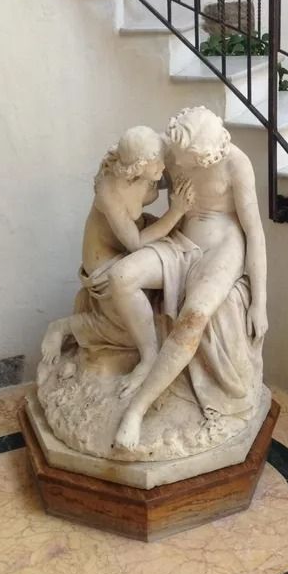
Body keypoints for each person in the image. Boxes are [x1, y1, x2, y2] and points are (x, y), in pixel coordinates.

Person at [110, 106, 268, 450]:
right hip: (178, 238)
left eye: (184, 161)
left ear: (206, 158)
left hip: (221, 251)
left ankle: (137, 411)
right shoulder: (172, 150)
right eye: (174, 157)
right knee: (121, 277)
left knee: (194, 317)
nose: (175, 165)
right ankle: (149, 355)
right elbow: (129, 186)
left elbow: (255, 233)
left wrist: (260, 303)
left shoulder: (236, 165)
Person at [40, 125, 193, 397]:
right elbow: (135, 242)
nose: (163, 165)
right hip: (105, 264)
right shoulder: (109, 192)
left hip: (128, 249)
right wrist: (175, 212)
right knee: (132, 334)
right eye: (158, 161)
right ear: (140, 165)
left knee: (151, 319)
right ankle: (64, 327)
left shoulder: (148, 172)